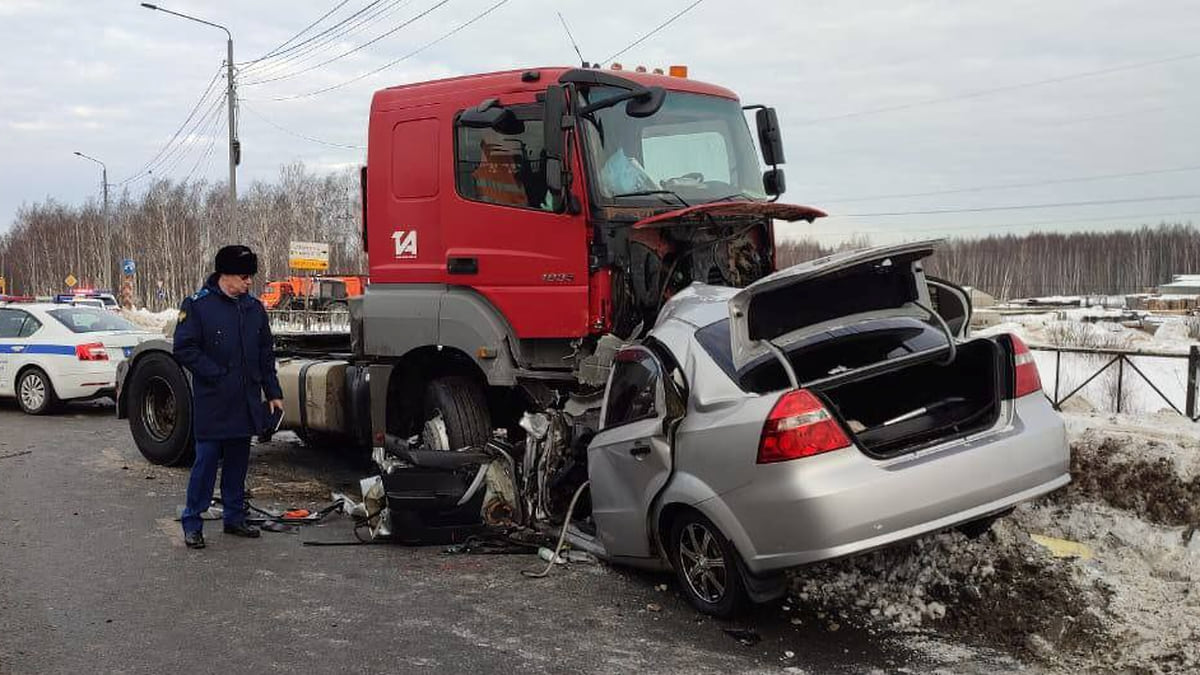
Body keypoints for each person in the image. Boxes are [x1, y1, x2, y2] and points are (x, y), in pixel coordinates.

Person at [174, 245, 284, 550]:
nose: (250, 282)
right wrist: (216, 373)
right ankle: (192, 522)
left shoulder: (253, 308)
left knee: (238, 463)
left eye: (251, 276)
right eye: (244, 276)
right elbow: (184, 348)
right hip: (213, 401)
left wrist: (273, 392)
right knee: (206, 464)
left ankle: (234, 518)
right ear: (225, 275)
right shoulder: (198, 306)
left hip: (245, 401)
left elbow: (265, 353)